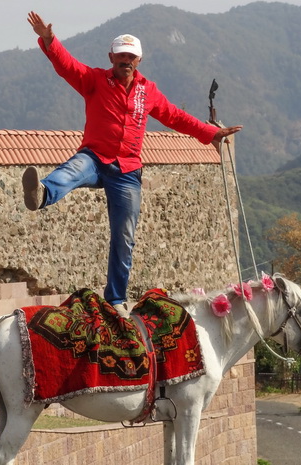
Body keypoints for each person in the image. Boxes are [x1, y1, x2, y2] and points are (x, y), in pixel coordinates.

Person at [24, 11, 242, 317]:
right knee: (71, 171)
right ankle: (42, 194)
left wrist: (211, 133)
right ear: (111, 57)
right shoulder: (95, 80)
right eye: (121, 55)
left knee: (124, 236)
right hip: (96, 157)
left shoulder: (147, 90)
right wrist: (49, 40)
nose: (125, 60)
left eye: (131, 56)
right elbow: (67, 66)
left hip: (127, 170)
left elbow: (174, 116)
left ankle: (115, 298)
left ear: (138, 60)